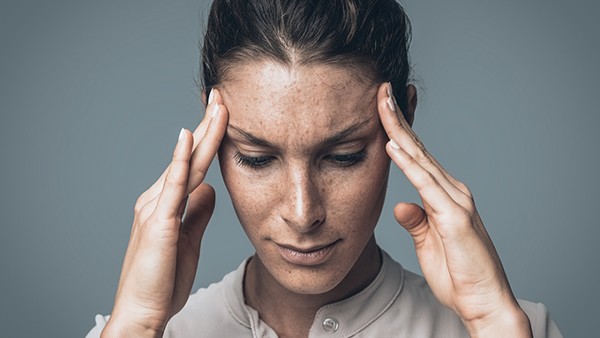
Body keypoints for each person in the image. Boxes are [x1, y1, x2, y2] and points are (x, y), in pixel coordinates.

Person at [86, 0, 562, 337]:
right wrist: (137, 325)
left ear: (405, 121)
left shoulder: (513, 328)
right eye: (256, 158)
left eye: (343, 156)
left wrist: (491, 322)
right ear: (212, 134)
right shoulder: (145, 332)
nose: (302, 212)